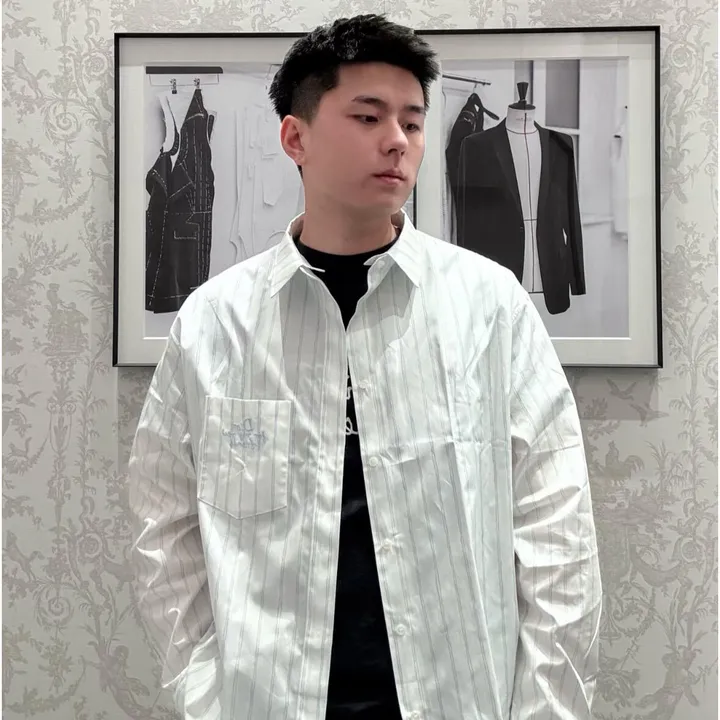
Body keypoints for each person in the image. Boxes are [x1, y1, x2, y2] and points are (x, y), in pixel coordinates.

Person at [128, 14, 603, 720]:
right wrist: (209, 694)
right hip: (268, 702)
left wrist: (546, 709)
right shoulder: (215, 323)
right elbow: (164, 527)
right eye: (368, 116)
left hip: (457, 697)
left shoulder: (489, 306)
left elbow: (557, 526)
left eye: (412, 122)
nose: (398, 140)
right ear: (296, 137)